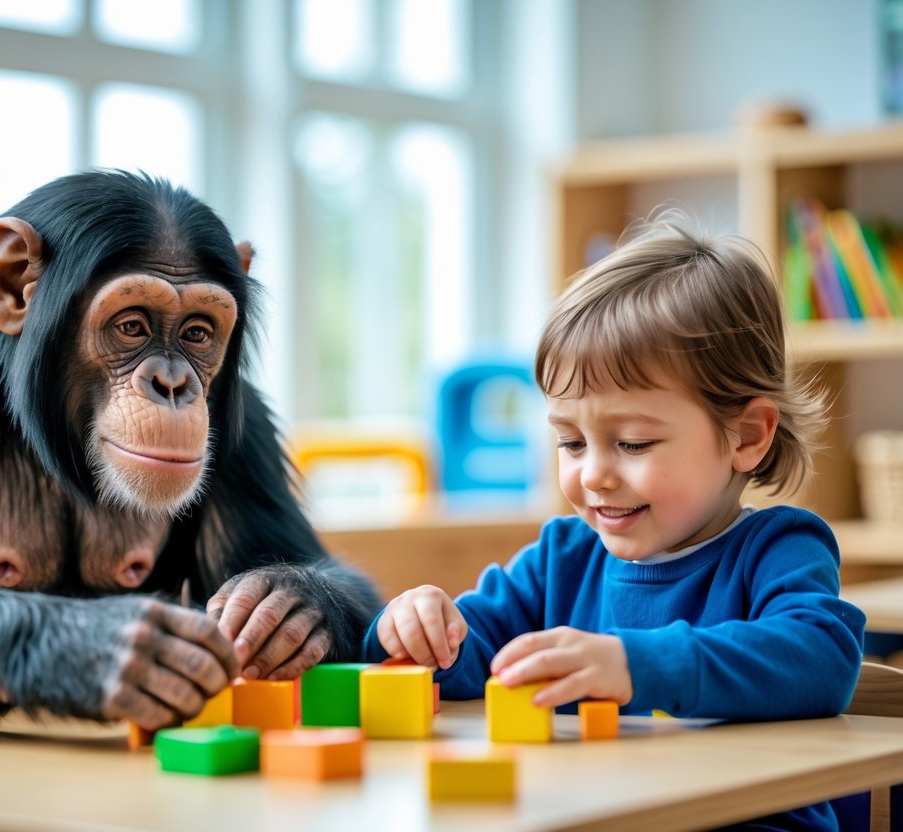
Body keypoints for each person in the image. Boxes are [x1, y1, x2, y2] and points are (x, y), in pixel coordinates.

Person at [363, 218, 865, 830]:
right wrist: (417, 632)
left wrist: (634, 665)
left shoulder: (780, 548)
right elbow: (472, 661)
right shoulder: (561, 558)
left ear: (747, 434)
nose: (594, 475)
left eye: (632, 443)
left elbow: (823, 659)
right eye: (571, 442)